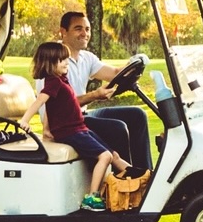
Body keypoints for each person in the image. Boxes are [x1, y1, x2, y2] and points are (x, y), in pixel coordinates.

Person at [18, 42, 132, 212]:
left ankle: (141, 178)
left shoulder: (61, 79)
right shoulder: (53, 82)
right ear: (49, 64)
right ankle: (92, 198)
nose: (66, 63)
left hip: (79, 128)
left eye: (66, 59)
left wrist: (47, 130)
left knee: (113, 155)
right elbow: (40, 102)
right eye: (61, 60)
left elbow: (52, 107)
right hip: (70, 131)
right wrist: (25, 120)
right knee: (105, 156)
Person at [47, 11, 154, 169]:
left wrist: (136, 62)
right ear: (63, 32)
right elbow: (59, 107)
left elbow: (115, 74)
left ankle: (144, 175)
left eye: (87, 29)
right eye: (78, 29)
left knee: (137, 115)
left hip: (82, 115)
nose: (85, 33)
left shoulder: (86, 57)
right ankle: (125, 183)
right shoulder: (52, 59)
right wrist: (95, 95)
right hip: (64, 124)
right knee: (116, 128)